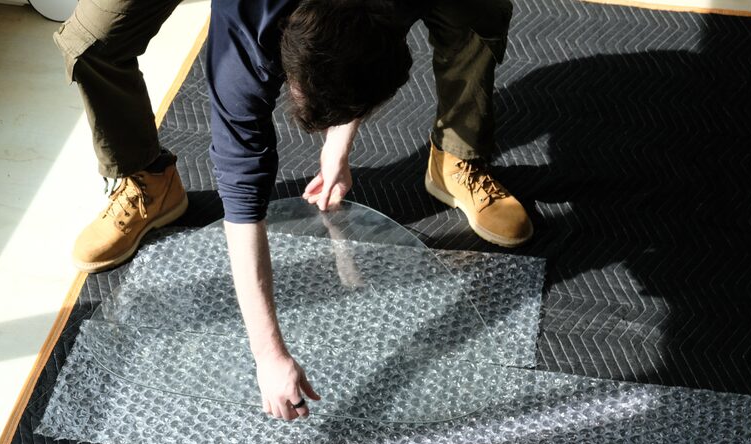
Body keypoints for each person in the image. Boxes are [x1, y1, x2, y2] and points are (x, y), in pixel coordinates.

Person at [55, 0, 533, 422]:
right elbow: (243, 202)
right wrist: (268, 355)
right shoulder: (243, 35)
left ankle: (456, 155)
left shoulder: (385, 8)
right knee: (94, 41)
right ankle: (148, 178)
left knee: (477, 10)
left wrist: (337, 149)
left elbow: (361, 49)